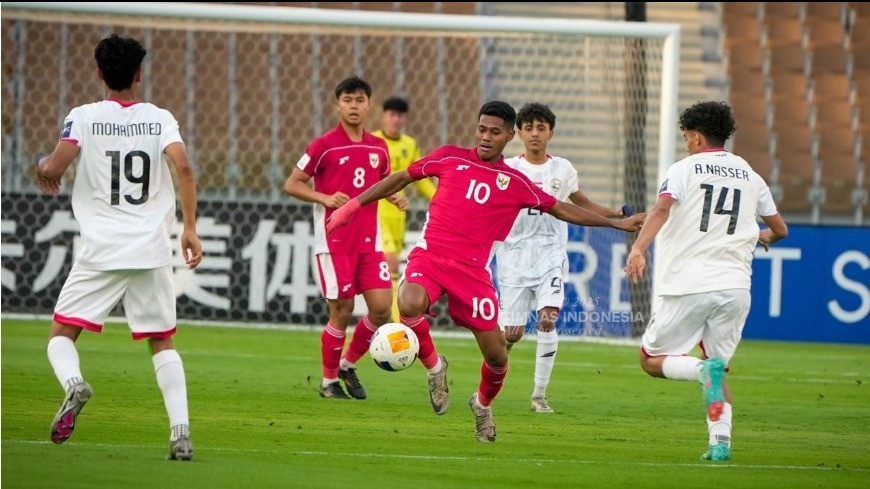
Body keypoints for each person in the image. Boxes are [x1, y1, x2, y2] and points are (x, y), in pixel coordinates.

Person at [327, 101, 645, 442]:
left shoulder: (515, 182)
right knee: (407, 302)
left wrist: (616, 223)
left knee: (496, 354)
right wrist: (352, 205)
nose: (485, 137)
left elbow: (563, 210)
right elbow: (402, 177)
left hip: (472, 272)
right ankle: (435, 368)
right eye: (482, 129)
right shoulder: (449, 157)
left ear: (510, 136)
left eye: (495, 132)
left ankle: (482, 405)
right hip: (431, 257)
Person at [34, 34, 202, 460]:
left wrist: (43, 169)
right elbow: (182, 164)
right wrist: (190, 228)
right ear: (139, 74)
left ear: (99, 72)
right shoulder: (159, 117)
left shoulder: (84, 116)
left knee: (61, 333)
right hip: (149, 247)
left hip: (102, 247)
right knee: (162, 342)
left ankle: (74, 384)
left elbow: (56, 164)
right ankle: (180, 433)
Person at [624, 100, 788, 462]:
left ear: (696, 136)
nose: (686, 143)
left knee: (651, 360)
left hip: (688, 284)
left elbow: (662, 209)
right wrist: (757, 237)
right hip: (735, 288)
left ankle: (701, 371)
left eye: (686, 137)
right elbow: (780, 230)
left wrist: (638, 248)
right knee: (717, 366)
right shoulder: (750, 175)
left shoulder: (683, 169)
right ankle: (720, 444)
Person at [497, 103, 631, 414]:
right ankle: (495, 368)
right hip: (514, 256)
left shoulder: (563, 170)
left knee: (547, 318)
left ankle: (539, 395)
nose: (534, 133)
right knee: (510, 334)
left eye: (541, 128)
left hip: (550, 253)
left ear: (551, 133)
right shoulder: (508, 170)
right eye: (528, 127)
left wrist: (616, 215)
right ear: (519, 133)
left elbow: (582, 204)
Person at [284, 75, 405, 400]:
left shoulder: (378, 146)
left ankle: (349, 364)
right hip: (334, 244)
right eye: (347, 100)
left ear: (369, 105)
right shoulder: (323, 145)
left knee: (381, 310)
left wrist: (394, 197)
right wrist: (324, 199)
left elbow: (382, 183)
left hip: (369, 242)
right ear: (337, 104)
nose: (354, 106)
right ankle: (328, 382)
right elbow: (292, 183)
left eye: (360, 100)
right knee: (342, 309)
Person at [373, 96, 437, 322]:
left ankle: (386, 317)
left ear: (405, 118)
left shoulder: (410, 144)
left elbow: (420, 179)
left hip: (399, 214)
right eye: (391, 114)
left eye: (399, 115)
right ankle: (397, 321)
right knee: (390, 262)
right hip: (376, 211)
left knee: (392, 269)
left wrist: (439, 198)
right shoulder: (373, 141)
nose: (395, 119)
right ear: (383, 116)